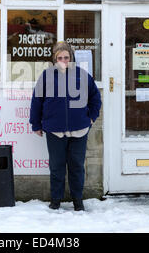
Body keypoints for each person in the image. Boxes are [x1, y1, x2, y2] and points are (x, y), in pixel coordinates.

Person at [29, 41, 101, 211]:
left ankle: (78, 200)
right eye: (59, 58)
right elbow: (36, 101)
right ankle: (56, 200)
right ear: (54, 59)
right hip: (55, 130)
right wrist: (36, 124)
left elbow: (95, 99)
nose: (63, 60)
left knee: (77, 166)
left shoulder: (82, 76)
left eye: (66, 57)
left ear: (71, 58)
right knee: (56, 167)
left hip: (79, 130)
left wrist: (91, 118)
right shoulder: (46, 76)